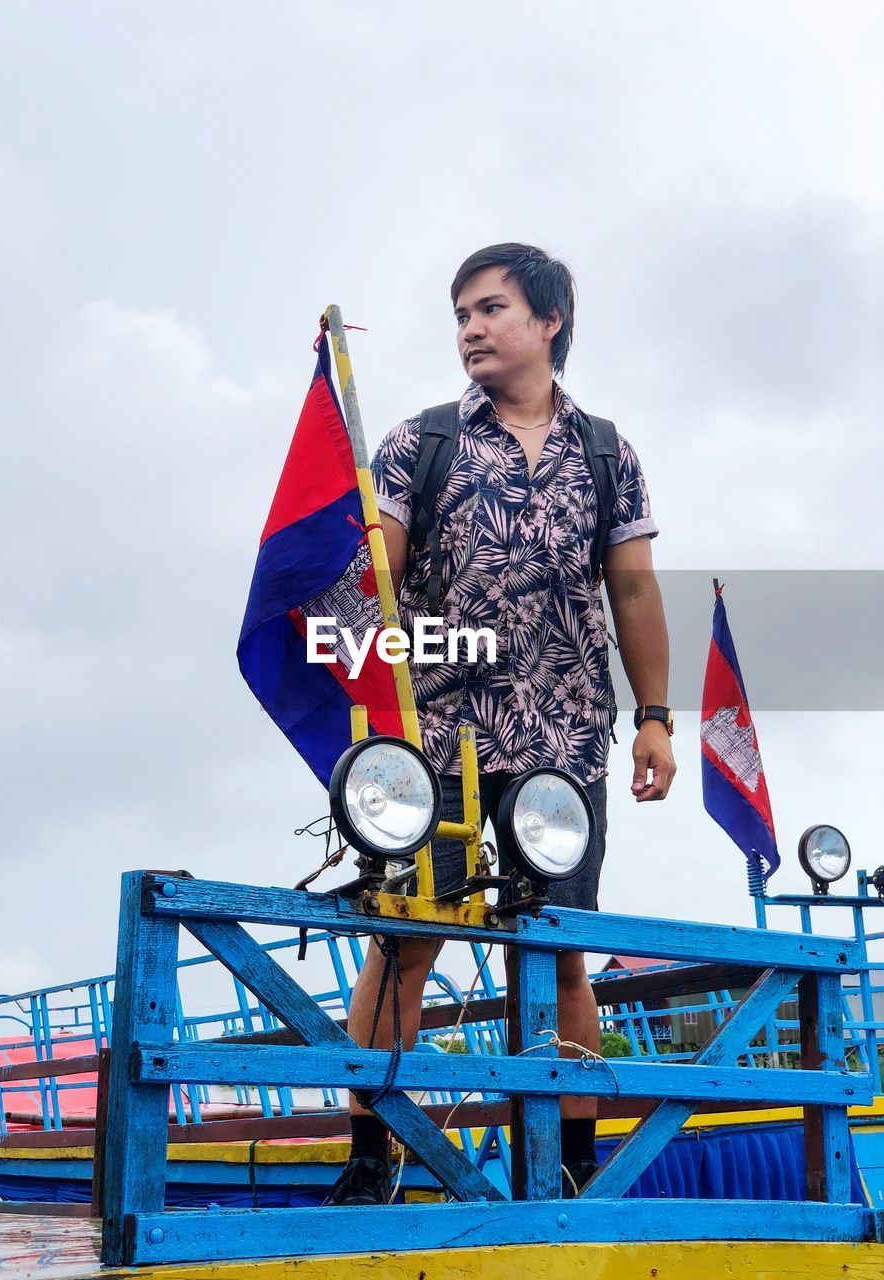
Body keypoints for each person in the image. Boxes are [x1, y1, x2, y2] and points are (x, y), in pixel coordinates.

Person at [326, 243, 676, 1205]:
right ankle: (373, 1157)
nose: (471, 331)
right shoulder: (420, 442)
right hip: (437, 738)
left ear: (549, 321)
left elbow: (634, 590)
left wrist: (654, 718)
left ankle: (569, 1164)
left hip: (564, 744)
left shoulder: (607, 451)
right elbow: (373, 581)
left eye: (489, 310)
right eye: (460, 316)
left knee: (563, 947)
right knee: (405, 943)